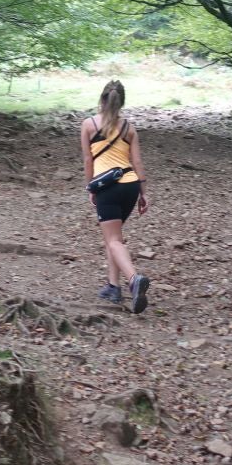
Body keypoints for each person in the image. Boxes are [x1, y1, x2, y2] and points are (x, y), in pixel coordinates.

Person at [81, 79, 150, 314]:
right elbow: (137, 162)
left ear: (102, 99)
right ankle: (113, 286)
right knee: (115, 238)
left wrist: (90, 187)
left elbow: (88, 161)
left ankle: (133, 279)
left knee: (113, 240)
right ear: (122, 102)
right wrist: (143, 193)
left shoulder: (89, 125)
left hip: (107, 186)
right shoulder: (129, 128)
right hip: (130, 186)